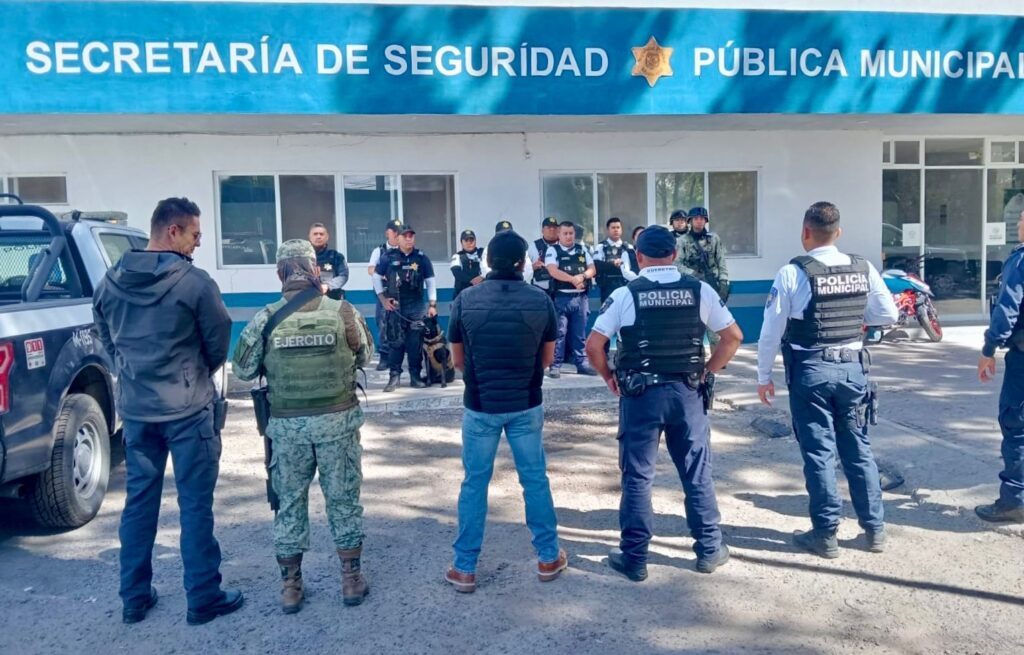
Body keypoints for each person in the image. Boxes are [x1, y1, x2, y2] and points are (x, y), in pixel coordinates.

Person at [92, 197, 242, 626]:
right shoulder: (194, 284)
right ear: (172, 231)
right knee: (195, 505)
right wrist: (195, 372)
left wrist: (130, 370)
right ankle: (203, 597)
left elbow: (106, 336)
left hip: (139, 411)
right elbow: (218, 339)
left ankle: (134, 598)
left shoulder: (110, 282)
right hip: (188, 410)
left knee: (139, 503)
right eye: (195, 234)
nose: (198, 243)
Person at [584, 226, 742, 581]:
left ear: (638, 256)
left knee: (638, 476)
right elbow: (733, 337)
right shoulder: (699, 290)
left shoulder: (626, 294)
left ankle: (635, 558)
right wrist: (708, 371)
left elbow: (593, 346)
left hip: (641, 396)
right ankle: (709, 549)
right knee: (696, 471)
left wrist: (608, 376)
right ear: (674, 254)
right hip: (687, 393)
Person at [232, 239, 374, 612]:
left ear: (280, 273)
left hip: (287, 430)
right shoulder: (343, 311)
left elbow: (243, 370)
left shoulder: (265, 318)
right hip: (337, 426)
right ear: (315, 270)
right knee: (343, 499)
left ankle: (291, 587)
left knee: (290, 503)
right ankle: (351, 581)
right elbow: (366, 354)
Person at [756, 201, 898, 558]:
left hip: (811, 372)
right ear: (838, 233)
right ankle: (874, 530)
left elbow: (771, 330)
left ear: (805, 232)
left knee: (819, 453)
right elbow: (888, 313)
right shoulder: (862, 267)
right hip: (853, 371)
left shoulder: (793, 272)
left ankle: (826, 534)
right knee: (858, 449)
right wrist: (858, 320)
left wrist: (763, 375)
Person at [444, 229, 567, 593]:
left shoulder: (465, 299)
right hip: (525, 403)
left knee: (474, 483)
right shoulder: (541, 300)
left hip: (480, 405)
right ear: (521, 263)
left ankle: (464, 568)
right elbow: (547, 359)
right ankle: (548, 557)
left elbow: (458, 361)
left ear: (488, 261)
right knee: (534, 479)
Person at [976, 208, 1024, 523]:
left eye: (1022, 218)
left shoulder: (1020, 261)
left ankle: (1014, 500)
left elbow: (1007, 309)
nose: (1018, 223)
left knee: (1016, 425)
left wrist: (989, 348)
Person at [373, 224, 437, 392]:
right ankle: (394, 376)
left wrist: (432, 305)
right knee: (395, 342)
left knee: (415, 343)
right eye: (405, 236)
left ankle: (415, 376)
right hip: (396, 305)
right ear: (398, 238)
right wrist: (383, 299)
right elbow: (376, 277)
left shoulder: (421, 258)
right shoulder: (388, 257)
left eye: (411, 236)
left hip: (416, 306)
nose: (409, 239)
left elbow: (430, 281)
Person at [544, 221, 599, 378]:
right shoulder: (553, 250)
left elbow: (592, 269)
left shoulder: (582, 249)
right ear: (559, 235)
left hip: (581, 298)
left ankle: (582, 363)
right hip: (562, 297)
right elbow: (552, 270)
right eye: (565, 233)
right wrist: (573, 279)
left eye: (571, 233)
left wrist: (583, 276)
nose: (568, 236)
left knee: (579, 333)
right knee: (560, 332)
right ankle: (555, 365)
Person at [675, 207, 731, 351]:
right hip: (692, 286)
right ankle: (695, 355)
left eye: (702, 218)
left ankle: (716, 358)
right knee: (694, 326)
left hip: (712, 285)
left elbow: (721, 261)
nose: (699, 221)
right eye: (696, 218)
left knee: (715, 326)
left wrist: (724, 281)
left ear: (705, 220)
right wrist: (694, 274)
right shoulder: (682, 241)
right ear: (690, 221)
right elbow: (677, 264)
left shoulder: (714, 239)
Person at [367, 219, 402, 370]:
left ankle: (403, 358)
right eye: (394, 231)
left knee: (404, 325)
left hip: (403, 294)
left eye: (399, 231)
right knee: (383, 325)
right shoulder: (379, 251)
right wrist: (382, 274)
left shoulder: (405, 250)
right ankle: (384, 357)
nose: (397, 234)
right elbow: (370, 269)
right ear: (387, 233)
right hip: (385, 294)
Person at [592, 217, 635, 304]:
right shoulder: (601, 247)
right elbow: (596, 266)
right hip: (607, 287)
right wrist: (613, 264)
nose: (616, 230)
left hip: (625, 286)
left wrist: (622, 264)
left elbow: (634, 267)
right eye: (613, 228)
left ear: (621, 230)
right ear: (608, 230)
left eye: (618, 227)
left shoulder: (629, 247)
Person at [309, 222, 349, 300]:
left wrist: (328, 286)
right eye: (315, 234)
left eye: (321, 234)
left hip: (332, 299)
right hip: (310, 299)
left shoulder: (336, 257)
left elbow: (343, 275)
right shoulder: (303, 258)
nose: (318, 236)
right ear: (310, 237)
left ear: (327, 237)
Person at [450, 229, 489, 299]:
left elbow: (491, 267)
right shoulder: (457, 256)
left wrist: (482, 277)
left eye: (471, 240)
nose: (469, 243)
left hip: (482, 293)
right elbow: (456, 272)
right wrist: (473, 280)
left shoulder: (483, 253)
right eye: (466, 240)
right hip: (463, 294)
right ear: (461, 242)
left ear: (475, 241)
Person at [528, 216, 560, 296]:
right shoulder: (533, 246)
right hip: (539, 290)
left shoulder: (564, 245)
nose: (552, 230)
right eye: (549, 227)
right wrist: (533, 267)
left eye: (554, 227)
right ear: (542, 230)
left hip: (560, 290)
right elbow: (524, 268)